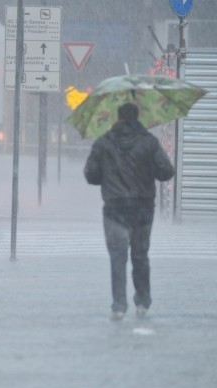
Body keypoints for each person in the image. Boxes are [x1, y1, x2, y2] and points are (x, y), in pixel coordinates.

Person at [84, 102, 175, 321]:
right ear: (138, 117)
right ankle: (142, 302)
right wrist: (148, 169)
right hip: (142, 209)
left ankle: (119, 305)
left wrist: (108, 175)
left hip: (115, 209)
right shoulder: (149, 142)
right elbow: (166, 172)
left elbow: (91, 176)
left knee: (118, 258)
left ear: (118, 118)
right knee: (140, 256)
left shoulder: (103, 143)